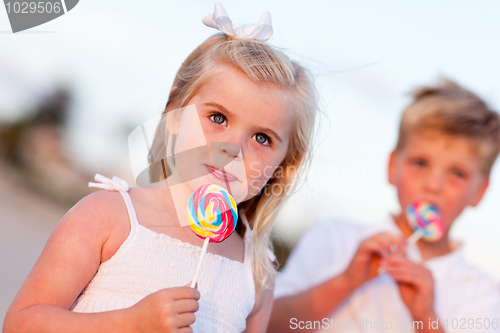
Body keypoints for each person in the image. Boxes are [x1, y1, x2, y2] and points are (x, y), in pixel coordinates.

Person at [3, 3, 318, 333]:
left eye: (262, 138)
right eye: (218, 118)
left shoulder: (255, 276)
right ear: (174, 111)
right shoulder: (108, 217)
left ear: (284, 162)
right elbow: (21, 323)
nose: (234, 148)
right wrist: (130, 322)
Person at [268, 78, 500, 333]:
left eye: (457, 173)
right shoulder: (334, 238)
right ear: (393, 167)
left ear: (479, 191)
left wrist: (426, 318)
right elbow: (270, 325)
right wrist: (345, 282)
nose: (434, 185)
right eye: (420, 163)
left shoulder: (481, 292)